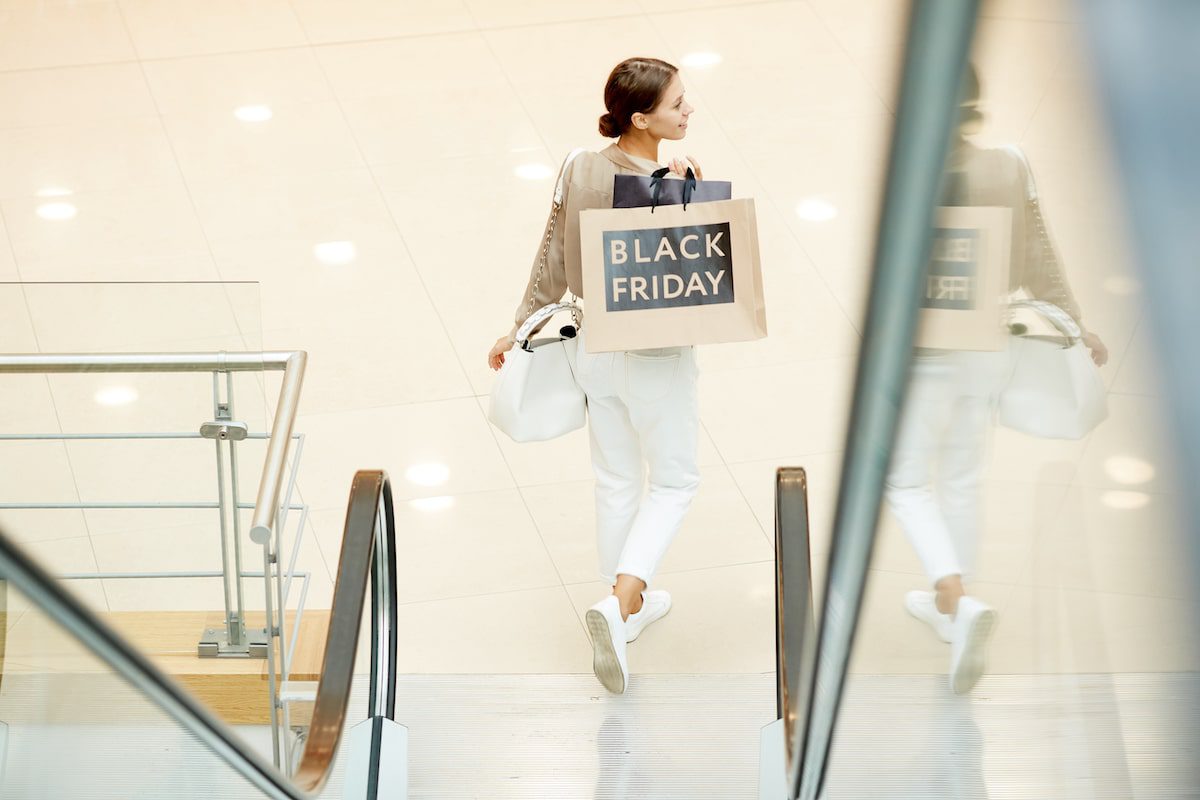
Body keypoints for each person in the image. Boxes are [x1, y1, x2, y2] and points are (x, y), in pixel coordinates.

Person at [886, 65, 1108, 694]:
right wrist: (1075, 323)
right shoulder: (1008, 164)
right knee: (961, 475)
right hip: (988, 340)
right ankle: (954, 612)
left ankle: (954, 596)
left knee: (905, 479)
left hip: (925, 347)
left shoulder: (906, 173)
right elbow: (1038, 253)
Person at [487, 58, 702, 695]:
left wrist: (519, 327)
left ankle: (626, 611)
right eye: (677, 104)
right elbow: (695, 271)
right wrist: (691, 193)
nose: (688, 110)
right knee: (674, 481)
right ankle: (622, 598)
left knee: (615, 478)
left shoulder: (580, 166)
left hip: (590, 348)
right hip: (655, 353)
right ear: (642, 119)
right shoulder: (670, 183)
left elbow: (552, 254)